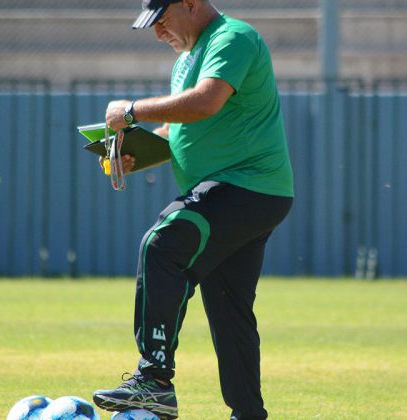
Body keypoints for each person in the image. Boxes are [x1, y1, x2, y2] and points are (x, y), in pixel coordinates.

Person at [91, 0, 294, 419]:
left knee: (162, 244)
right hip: (249, 193)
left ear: (190, 4)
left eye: (161, 20)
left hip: (244, 187)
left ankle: (154, 379)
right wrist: (134, 152)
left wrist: (130, 111)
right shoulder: (187, 60)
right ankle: (248, 414)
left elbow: (204, 103)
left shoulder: (232, 37)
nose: (157, 32)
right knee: (228, 306)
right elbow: (178, 130)